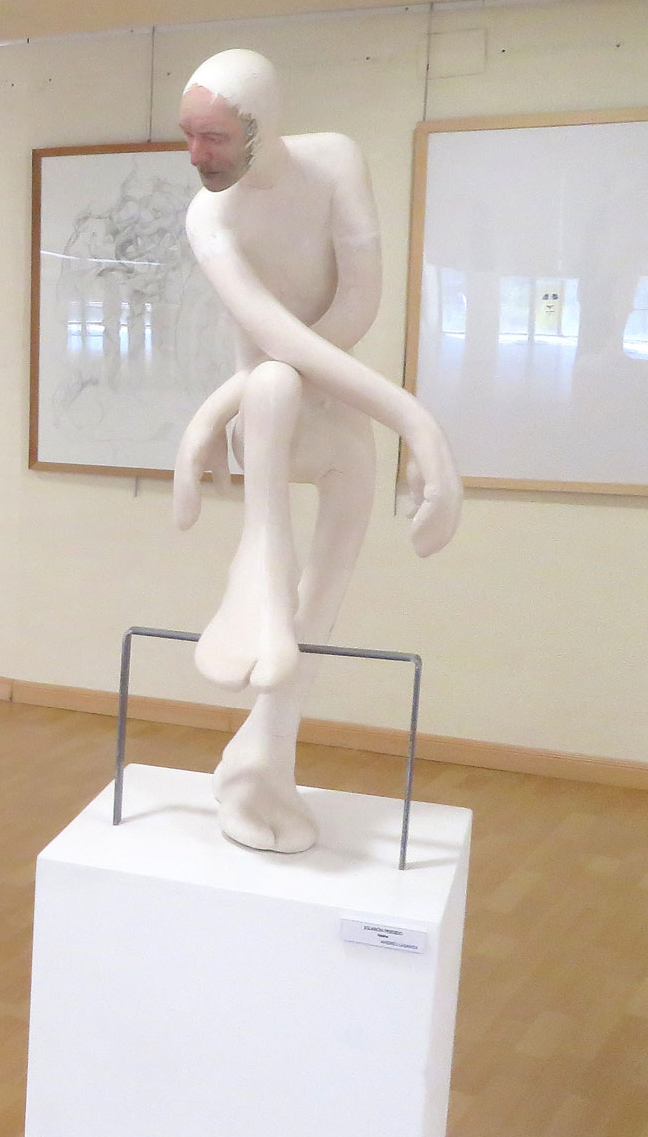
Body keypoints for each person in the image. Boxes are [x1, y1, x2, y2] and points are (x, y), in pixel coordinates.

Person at [170, 49, 462, 853]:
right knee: (272, 386)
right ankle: (260, 559)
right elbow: (271, 342)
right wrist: (416, 422)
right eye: (188, 136)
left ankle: (265, 754)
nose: (196, 155)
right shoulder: (209, 219)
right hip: (266, 420)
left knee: (321, 597)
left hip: (335, 419)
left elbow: (358, 305)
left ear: (261, 129)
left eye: (212, 137)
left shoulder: (334, 162)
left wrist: (209, 413)